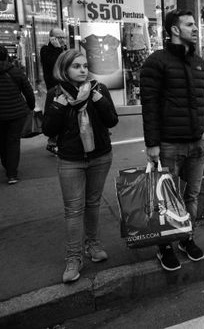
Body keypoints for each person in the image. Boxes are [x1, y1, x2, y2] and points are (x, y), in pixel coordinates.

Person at [140, 9, 204, 272]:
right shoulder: (156, 62)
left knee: (191, 196)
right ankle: (165, 247)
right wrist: (152, 144)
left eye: (195, 25)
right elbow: (149, 105)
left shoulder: (199, 62)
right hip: (169, 144)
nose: (195, 29)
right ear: (174, 29)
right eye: (189, 25)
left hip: (197, 143)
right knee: (165, 200)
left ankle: (185, 238)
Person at [41, 49, 118, 283]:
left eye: (85, 66)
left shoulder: (99, 90)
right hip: (70, 159)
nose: (83, 70)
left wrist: (99, 101)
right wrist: (58, 107)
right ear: (64, 70)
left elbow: (112, 120)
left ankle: (92, 245)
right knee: (73, 209)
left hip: (100, 156)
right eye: (77, 66)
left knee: (93, 203)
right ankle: (73, 257)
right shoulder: (56, 94)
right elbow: (48, 130)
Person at [0, 45, 35, 185]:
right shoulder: (15, 71)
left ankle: (7, 166)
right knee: (13, 141)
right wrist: (31, 106)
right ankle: (12, 174)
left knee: (2, 142)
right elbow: (28, 91)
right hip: (16, 113)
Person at [41, 28, 68, 155]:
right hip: (54, 88)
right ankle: (52, 142)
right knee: (56, 113)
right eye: (60, 37)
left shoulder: (63, 49)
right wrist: (58, 48)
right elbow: (55, 63)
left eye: (63, 37)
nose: (63, 40)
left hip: (65, 85)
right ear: (52, 38)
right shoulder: (45, 50)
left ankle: (59, 140)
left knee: (65, 113)